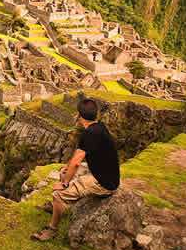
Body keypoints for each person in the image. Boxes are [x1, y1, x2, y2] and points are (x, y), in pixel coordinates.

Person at [31, 97, 120, 241]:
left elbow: (77, 162)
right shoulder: (99, 127)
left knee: (59, 194)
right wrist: (68, 168)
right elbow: (79, 157)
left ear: (79, 115)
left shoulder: (89, 133)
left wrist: (65, 184)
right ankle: (56, 207)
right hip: (104, 173)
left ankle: (52, 229)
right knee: (64, 170)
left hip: (104, 183)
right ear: (95, 114)